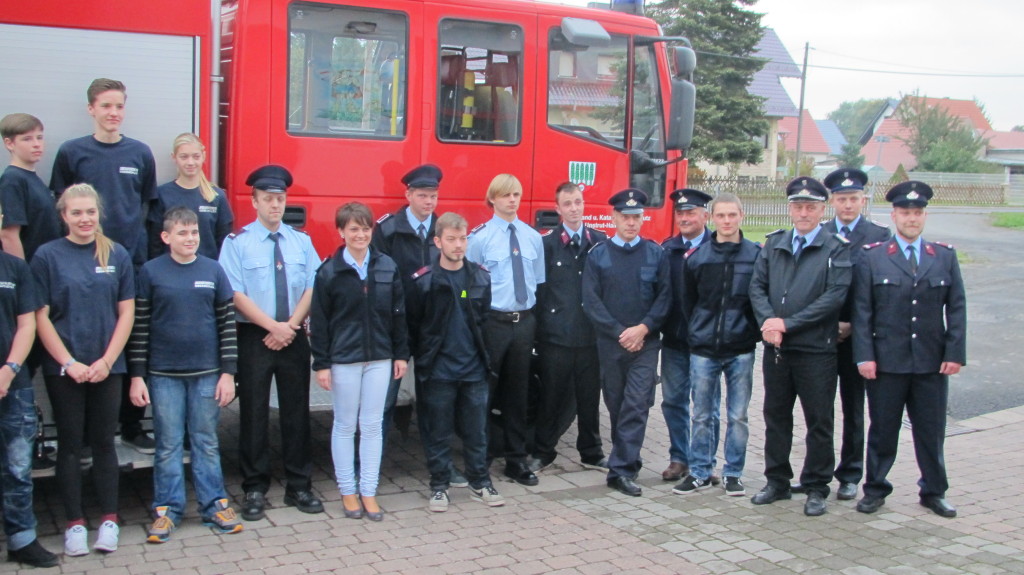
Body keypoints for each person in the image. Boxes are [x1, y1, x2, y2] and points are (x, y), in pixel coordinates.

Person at [49, 78, 157, 454]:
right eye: (106, 106)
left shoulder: (140, 153)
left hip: (129, 262)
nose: (113, 113)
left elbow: (146, 205)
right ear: (91, 109)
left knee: (131, 339)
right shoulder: (72, 152)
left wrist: (134, 251)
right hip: (82, 263)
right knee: (83, 333)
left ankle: (130, 424)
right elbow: (59, 203)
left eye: (119, 106)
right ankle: (79, 436)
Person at [127, 207, 243, 543]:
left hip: (207, 374)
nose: (190, 238)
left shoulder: (214, 271)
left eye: (194, 232)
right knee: (168, 444)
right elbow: (140, 328)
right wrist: (137, 375)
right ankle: (167, 510)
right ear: (166, 237)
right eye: (182, 233)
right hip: (164, 376)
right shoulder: (150, 273)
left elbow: (226, 326)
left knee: (206, 441)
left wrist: (228, 374)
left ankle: (214, 505)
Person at [32, 183, 135, 555]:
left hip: (109, 367)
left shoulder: (117, 254)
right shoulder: (47, 256)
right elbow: (40, 316)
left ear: (98, 213)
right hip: (66, 370)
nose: (85, 218)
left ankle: (109, 520)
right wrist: (69, 363)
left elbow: (127, 312)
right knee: (71, 446)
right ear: (64, 216)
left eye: (90, 211)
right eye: (76, 212)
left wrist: (107, 361)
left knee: (106, 443)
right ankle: (74, 524)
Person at [852, 181, 966, 518]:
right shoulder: (873, 257)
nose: (911, 219)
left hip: (931, 363)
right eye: (905, 213)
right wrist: (865, 355)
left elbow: (956, 307)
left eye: (917, 213)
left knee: (931, 432)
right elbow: (862, 311)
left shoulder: (943, 256)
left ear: (924, 216)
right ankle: (875, 490)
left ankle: (934, 490)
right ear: (894, 215)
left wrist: (954, 352)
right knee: (883, 431)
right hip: (887, 362)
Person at [218, 165, 324, 521]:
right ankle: (254, 488)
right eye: (268, 199)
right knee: (253, 414)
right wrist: (272, 327)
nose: (275, 205)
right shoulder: (237, 243)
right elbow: (234, 293)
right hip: (254, 336)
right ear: (254, 201)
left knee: (297, 414)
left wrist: (290, 326)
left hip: (293, 335)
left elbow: (313, 285)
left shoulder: (302, 242)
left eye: (280, 199)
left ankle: (299, 485)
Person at [748, 177, 852, 517]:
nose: (803, 212)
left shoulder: (836, 247)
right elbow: (757, 288)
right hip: (777, 348)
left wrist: (787, 324)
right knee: (775, 416)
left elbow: (834, 297)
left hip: (815, 349)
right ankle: (776, 481)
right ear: (790, 208)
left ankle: (817, 486)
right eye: (798, 206)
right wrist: (769, 322)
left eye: (811, 207)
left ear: (822, 210)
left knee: (818, 421)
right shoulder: (774, 243)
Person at [311, 202, 408, 522]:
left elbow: (398, 314)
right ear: (341, 232)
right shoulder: (329, 271)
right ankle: (347, 491)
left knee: (371, 426)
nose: (361, 234)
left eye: (365, 228)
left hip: (380, 358)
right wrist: (321, 363)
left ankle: (368, 491)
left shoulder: (386, 266)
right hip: (345, 360)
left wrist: (400, 354)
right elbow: (321, 321)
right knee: (344, 425)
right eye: (353, 228)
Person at [799, 168, 889, 501]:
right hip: (821, 334)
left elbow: (882, 289)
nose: (847, 205)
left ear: (863, 200)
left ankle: (850, 474)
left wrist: (853, 325)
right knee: (818, 410)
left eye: (853, 199)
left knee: (853, 408)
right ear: (832, 201)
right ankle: (815, 473)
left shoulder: (879, 235)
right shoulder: (819, 233)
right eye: (841, 199)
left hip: (858, 336)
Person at [406, 212, 505, 512]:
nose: (458, 245)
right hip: (438, 370)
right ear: (437, 242)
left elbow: (485, 318)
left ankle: (480, 482)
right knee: (438, 431)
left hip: (473, 368)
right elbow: (414, 324)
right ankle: (439, 486)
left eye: (462, 238)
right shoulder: (423, 281)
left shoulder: (479, 276)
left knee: (476, 431)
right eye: (451, 239)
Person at [370, 164, 459, 480]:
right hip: (398, 328)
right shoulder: (388, 230)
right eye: (422, 195)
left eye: (433, 196)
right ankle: (369, 472)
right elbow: (378, 282)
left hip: (433, 329)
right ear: (408, 195)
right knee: (383, 402)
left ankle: (442, 468)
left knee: (436, 403)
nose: (429, 202)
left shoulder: (443, 230)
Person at [582, 189, 671, 497]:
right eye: (625, 217)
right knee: (617, 405)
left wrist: (643, 329)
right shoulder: (598, 255)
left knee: (636, 404)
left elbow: (664, 298)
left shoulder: (655, 253)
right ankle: (628, 455)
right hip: (611, 343)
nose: (631, 223)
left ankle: (620, 470)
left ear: (643, 218)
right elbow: (591, 302)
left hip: (645, 344)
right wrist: (622, 332)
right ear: (614, 217)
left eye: (636, 217)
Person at [672, 193, 761, 498]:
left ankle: (733, 472)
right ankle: (699, 471)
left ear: (741, 216)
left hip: (740, 349)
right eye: (720, 215)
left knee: (738, 415)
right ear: (711, 219)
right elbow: (688, 303)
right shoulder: (697, 258)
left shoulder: (756, 255)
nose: (726, 221)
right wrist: (700, 331)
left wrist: (748, 332)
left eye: (731, 215)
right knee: (701, 415)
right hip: (703, 349)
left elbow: (758, 302)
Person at [466, 174, 544, 486]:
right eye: (505, 195)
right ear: (492, 199)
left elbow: (537, 281)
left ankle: (516, 461)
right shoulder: (479, 238)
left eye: (516, 194)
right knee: (485, 393)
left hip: (523, 322)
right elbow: (467, 288)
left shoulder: (531, 237)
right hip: (493, 324)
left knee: (518, 394)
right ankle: (479, 460)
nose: (512, 200)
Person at [531, 182, 608, 473]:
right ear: (558, 209)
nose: (574, 208)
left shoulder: (599, 242)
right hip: (557, 336)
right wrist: (540, 333)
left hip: (590, 336)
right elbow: (540, 290)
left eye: (578, 202)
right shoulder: (547, 244)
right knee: (551, 397)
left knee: (589, 398)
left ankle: (591, 452)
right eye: (568, 204)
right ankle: (542, 452)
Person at [0, 201, 59, 567]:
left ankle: (22, 541)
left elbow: (27, 324)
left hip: (14, 383)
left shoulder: (15, 268)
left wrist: (8, 369)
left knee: (18, 468)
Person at [659, 188, 712, 483]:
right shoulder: (668, 250)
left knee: (706, 406)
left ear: (705, 215)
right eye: (681, 213)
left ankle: (705, 461)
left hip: (706, 345)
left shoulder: (716, 247)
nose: (685, 218)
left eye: (691, 212)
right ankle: (680, 457)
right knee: (674, 401)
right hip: (675, 342)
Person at [148, 133, 234, 260]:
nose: (190, 162)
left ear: (203, 156)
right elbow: (155, 242)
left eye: (196, 156)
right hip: (171, 272)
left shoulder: (216, 196)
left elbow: (224, 242)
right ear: (174, 157)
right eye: (184, 157)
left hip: (207, 271)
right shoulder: (162, 195)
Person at [1, 113, 61, 262]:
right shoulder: (12, 180)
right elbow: (9, 235)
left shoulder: (33, 179)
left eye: (39, 137)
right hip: (30, 270)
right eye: (27, 139)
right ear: (9, 143)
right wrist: (22, 277)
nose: (36, 144)